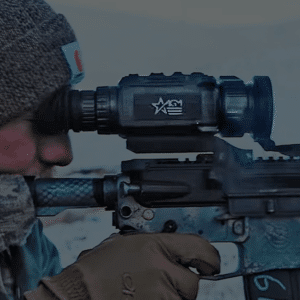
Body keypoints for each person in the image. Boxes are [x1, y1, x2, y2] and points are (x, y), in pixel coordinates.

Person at [0, 1, 220, 299]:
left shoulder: (25, 245)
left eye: (64, 121)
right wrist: (73, 294)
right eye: (36, 122)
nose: (62, 154)